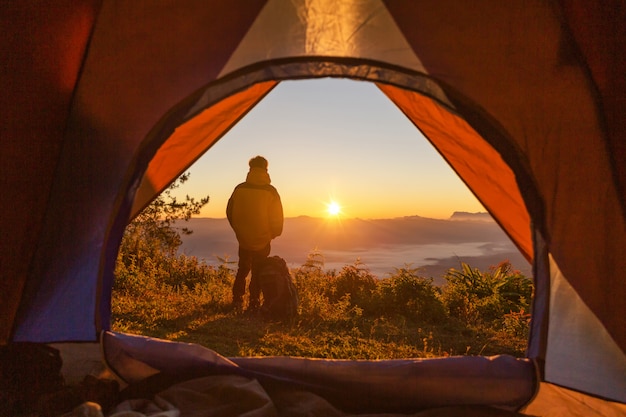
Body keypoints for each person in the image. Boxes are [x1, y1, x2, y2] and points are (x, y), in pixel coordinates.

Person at [226, 156, 283, 310]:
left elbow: (230, 212)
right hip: (263, 238)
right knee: (258, 270)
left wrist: (239, 229)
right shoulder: (271, 191)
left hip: (243, 238)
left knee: (243, 269)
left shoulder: (239, 189)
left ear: (250, 168)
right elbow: (276, 215)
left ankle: (237, 300)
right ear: (266, 169)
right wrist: (274, 233)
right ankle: (254, 302)